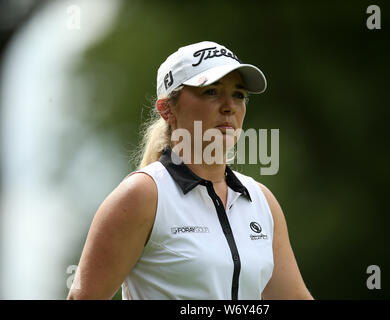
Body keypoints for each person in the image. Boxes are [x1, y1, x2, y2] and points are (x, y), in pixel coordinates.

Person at [67, 41, 314, 300]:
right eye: (211, 92)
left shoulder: (262, 201)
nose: (229, 106)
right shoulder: (141, 195)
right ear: (167, 110)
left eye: (239, 94)